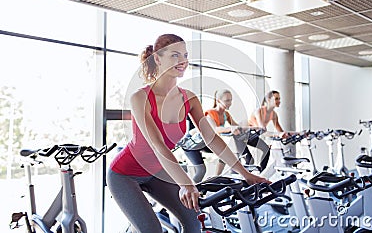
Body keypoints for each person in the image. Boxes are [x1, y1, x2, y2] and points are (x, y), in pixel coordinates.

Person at [107, 34, 268, 233]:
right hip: (125, 174)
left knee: (193, 221)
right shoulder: (140, 98)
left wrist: (245, 173)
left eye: (185, 55)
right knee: (152, 230)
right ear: (157, 58)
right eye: (175, 55)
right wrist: (186, 183)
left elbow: (212, 139)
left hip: (156, 172)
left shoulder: (189, 99)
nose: (182, 61)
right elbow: (158, 146)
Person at [189, 89, 271, 176]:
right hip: (194, 142)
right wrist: (231, 128)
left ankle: (219, 178)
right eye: (227, 100)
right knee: (203, 170)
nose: (230, 103)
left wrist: (253, 128)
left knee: (228, 155)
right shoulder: (210, 114)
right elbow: (214, 130)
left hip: (209, 142)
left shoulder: (226, 114)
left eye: (231, 100)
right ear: (218, 101)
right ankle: (217, 177)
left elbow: (237, 126)